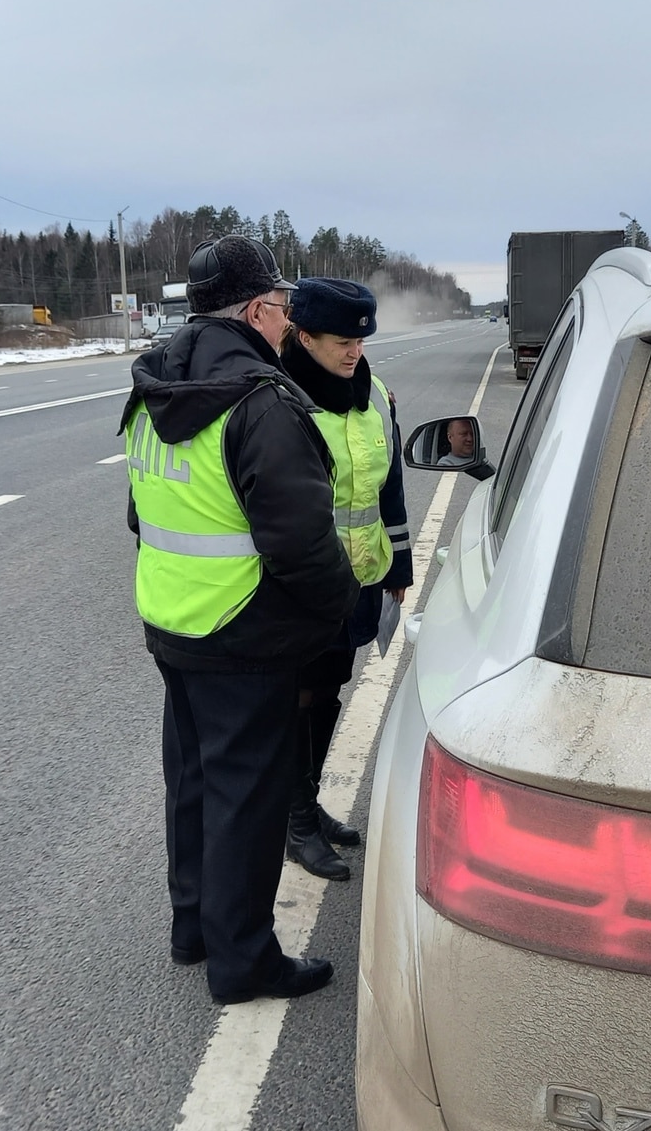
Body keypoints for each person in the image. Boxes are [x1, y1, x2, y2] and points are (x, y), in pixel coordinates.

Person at [119, 236, 360, 1005]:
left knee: (191, 779)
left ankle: (192, 927)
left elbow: (140, 512)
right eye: (284, 307)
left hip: (172, 619)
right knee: (246, 800)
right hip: (244, 634)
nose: (287, 320)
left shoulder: (153, 384)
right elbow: (299, 540)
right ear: (257, 309)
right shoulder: (260, 400)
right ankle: (244, 961)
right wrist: (332, 612)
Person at [280, 277, 413, 881]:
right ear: (303, 336)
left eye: (361, 338)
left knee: (328, 690)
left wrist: (400, 566)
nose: (354, 350)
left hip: (359, 575)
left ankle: (307, 805)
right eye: (341, 340)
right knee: (298, 699)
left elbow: (390, 484)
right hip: (301, 584)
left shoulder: (375, 392)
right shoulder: (280, 398)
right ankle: (295, 820)